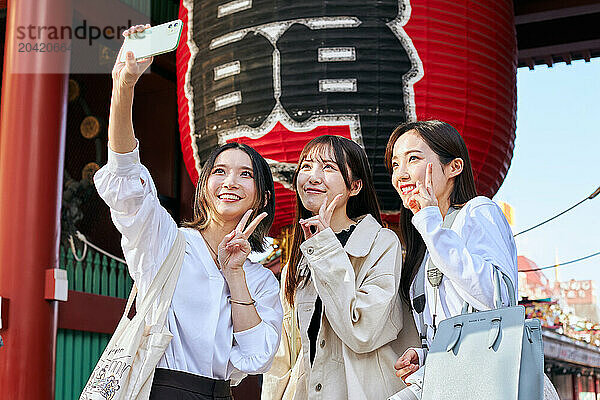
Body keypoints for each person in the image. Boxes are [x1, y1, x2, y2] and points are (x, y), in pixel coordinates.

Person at [94, 24, 283, 400]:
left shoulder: (260, 279)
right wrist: (124, 86)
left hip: (217, 393)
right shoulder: (167, 240)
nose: (230, 181)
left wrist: (235, 275)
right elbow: (125, 175)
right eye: (219, 172)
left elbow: (257, 356)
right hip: (157, 388)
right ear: (204, 187)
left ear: (261, 197)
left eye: (245, 175)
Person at [386, 120, 558, 400]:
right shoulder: (426, 241)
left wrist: (430, 223)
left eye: (413, 159)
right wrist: (424, 354)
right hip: (447, 378)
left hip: (486, 381)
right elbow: (459, 324)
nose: (400, 175)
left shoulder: (478, 211)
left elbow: (497, 299)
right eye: (395, 164)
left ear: (454, 167)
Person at [262, 135, 419, 400]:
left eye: (328, 167)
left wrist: (324, 248)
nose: (312, 177)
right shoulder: (296, 264)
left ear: (355, 186)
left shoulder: (381, 243)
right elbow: (283, 356)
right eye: (306, 166)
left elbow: (363, 332)